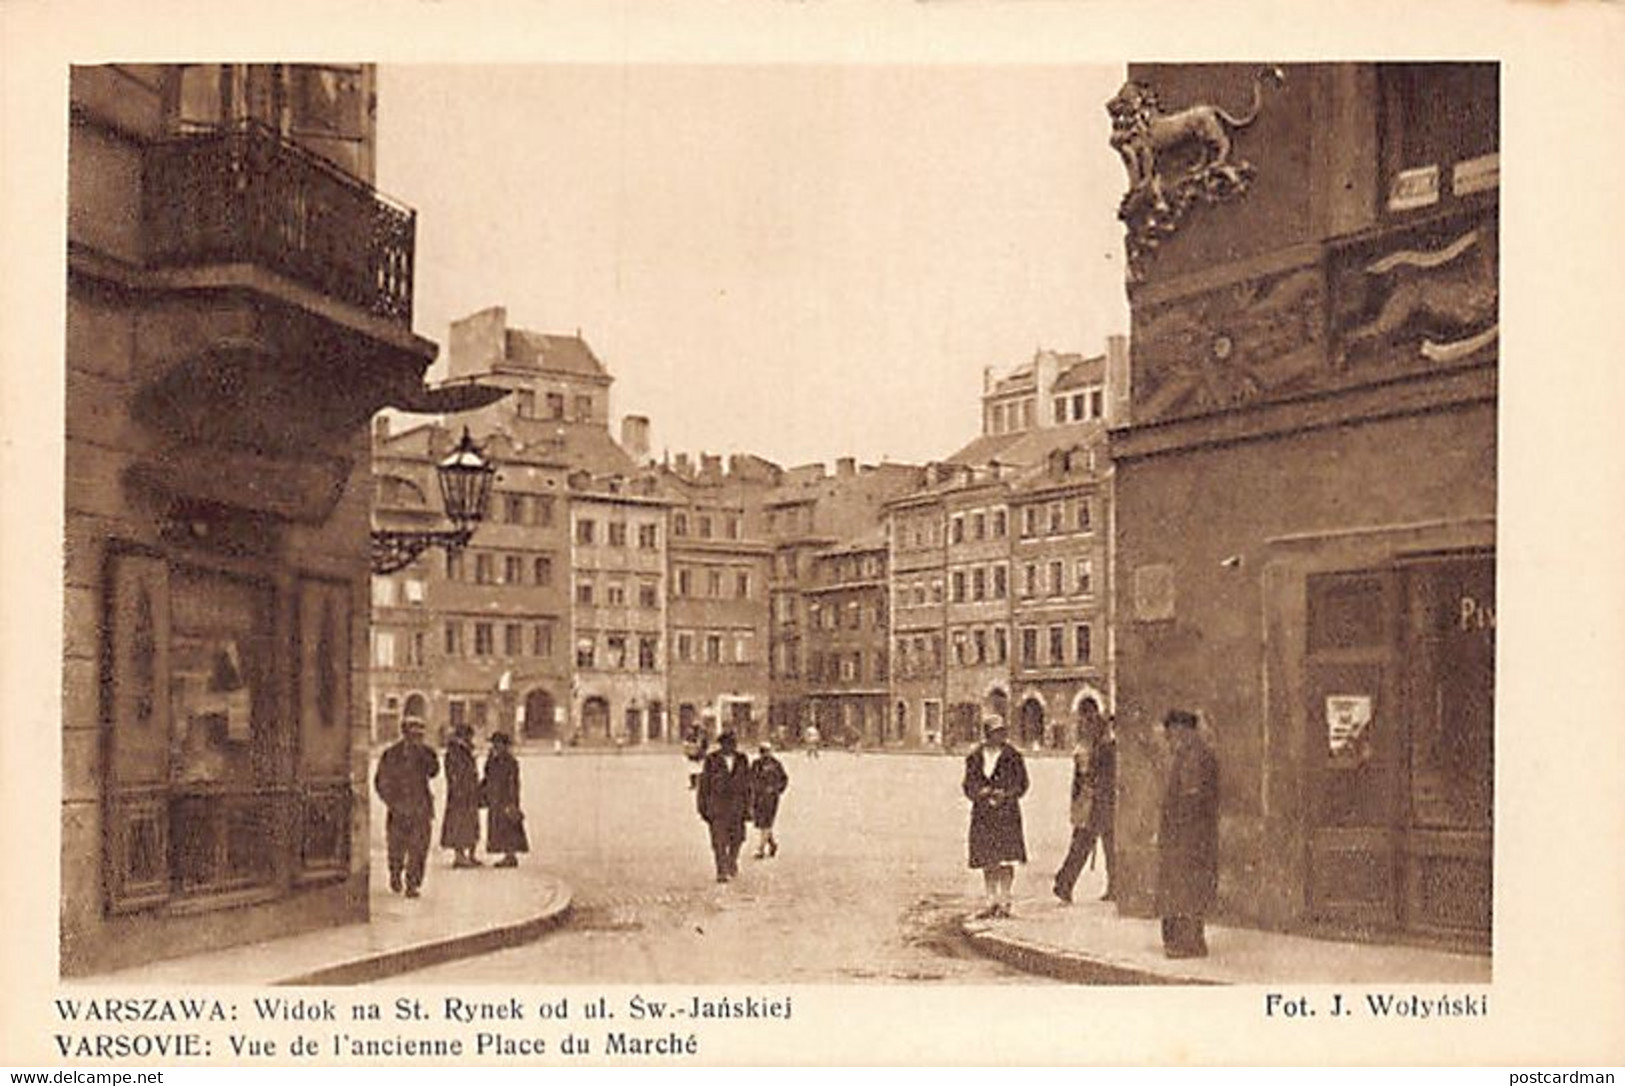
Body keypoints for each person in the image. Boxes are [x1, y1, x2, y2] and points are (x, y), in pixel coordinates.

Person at [1157, 709, 1220, 958]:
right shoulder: (1193, 754)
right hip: (1192, 837)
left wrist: (1175, 835)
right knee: (1188, 890)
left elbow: (1190, 801)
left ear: (1183, 730)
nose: (1170, 739)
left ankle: (1186, 944)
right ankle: (1188, 942)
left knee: (1184, 890)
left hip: (1188, 839)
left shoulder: (1193, 757)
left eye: (1171, 733)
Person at [962, 716, 1029, 919]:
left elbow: (1023, 784)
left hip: (1006, 812)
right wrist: (978, 793)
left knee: (1006, 858)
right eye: (996, 732)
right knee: (988, 859)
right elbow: (967, 784)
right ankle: (991, 900)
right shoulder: (975, 757)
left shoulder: (1013, 756)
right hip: (984, 813)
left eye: (1002, 732)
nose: (1000, 735)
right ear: (987, 734)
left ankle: (1005, 900)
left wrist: (1006, 795)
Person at [1053, 700, 1117, 904]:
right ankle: (1064, 883)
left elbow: (1080, 780)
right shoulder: (1104, 748)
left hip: (1095, 802)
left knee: (1092, 846)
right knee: (1093, 845)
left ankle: (1065, 883)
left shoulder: (1091, 747)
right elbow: (1084, 778)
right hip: (1098, 803)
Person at [374, 717, 439, 898]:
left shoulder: (426, 752)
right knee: (396, 848)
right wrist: (392, 802)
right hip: (398, 809)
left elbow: (434, 771)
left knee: (419, 848)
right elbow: (381, 781)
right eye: (413, 733)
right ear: (404, 733)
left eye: (420, 733)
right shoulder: (391, 754)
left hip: (421, 809)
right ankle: (395, 874)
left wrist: (423, 753)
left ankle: (413, 884)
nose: (417, 737)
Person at [696, 729, 752, 882]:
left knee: (738, 838)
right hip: (718, 808)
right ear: (722, 745)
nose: (731, 746)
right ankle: (721, 870)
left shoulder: (742, 759)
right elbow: (704, 785)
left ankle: (732, 860)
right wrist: (702, 807)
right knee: (719, 840)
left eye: (733, 743)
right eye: (728, 743)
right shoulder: (712, 760)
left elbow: (748, 784)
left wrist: (749, 807)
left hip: (737, 808)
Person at [482, 731, 529, 868]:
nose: (494, 746)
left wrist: (512, 801)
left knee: (508, 826)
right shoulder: (494, 759)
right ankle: (507, 855)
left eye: (496, 744)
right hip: (495, 798)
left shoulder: (509, 761)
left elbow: (513, 782)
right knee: (500, 827)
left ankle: (510, 855)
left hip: (506, 798)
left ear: (504, 745)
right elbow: (488, 775)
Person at [441, 723, 482, 868]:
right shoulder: (455, 751)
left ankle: (471, 854)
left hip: (469, 793)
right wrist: (459, 788)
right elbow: (454, 774)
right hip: (460, 794)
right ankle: (459, 856)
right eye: (469, 736)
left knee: (471, 823)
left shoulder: (465, 750)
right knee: (459, 824)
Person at [748, 742, 789, 859]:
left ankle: (760, 849)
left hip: (771, 798)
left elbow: (784, 779)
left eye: (766, 751)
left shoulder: (776, 764)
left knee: (767, 822)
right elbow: (750, 779)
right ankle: (772, 843)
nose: (764, 753)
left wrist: (776, 790)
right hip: (758, 797)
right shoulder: (756, 764)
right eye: (762, 751)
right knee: (762, 823)